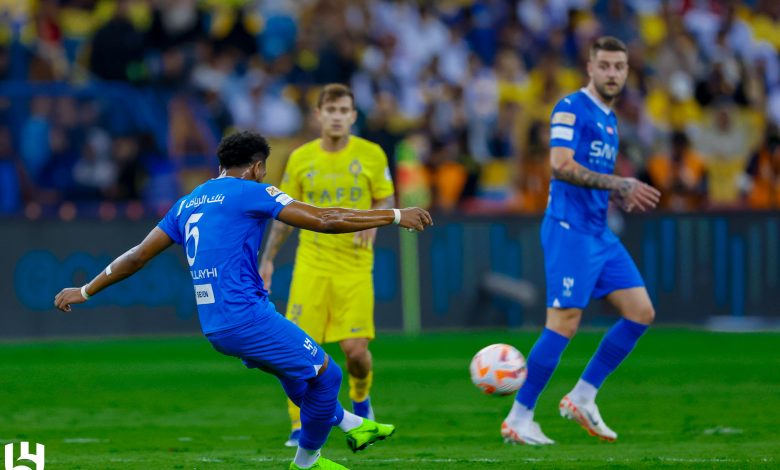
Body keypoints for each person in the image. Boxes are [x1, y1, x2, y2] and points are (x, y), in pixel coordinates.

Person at [54, 131, 433, 470]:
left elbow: (137, 255)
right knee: (329, 375)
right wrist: (395, 214)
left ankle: (353, 425)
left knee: (296, 377)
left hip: (217, 324)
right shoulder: (252, 191)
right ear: (256, 167)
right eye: (264, 169)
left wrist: (86, 290)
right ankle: (307, 464)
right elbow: (326, 219)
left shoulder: (188, 201)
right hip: (246, 318)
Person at [501, 37, 661, 445]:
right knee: (564, 323)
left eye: (619, 67)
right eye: (604, 65)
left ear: (627, 71)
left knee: (641, 311)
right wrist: (619, 183)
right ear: (590, 68)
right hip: (569, 229)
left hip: (598, 232)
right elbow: (560, 165)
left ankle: (583, 396)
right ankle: (519, 416)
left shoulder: (610, 119)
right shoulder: (571, 108)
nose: (612, 73)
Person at [259, 84, 394, 447]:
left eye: (343, 110)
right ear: (318, 115)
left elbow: (385, 195)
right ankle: (299, 424)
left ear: (353, 116)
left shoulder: (372, 154)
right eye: (330, 110)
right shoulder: (301, 158)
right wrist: (269, 258)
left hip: (354, 266)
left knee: (356, 352)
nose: (336, 116)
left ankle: (361, 398)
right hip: (312, 265)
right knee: (295, 350)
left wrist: (376, 223)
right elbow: (285, 213)